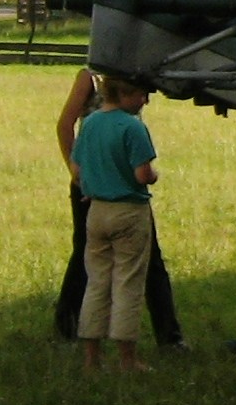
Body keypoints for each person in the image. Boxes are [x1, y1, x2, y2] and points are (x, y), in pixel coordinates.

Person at [53, 69, 184, 348]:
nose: (144, 100)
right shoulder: (91, 78)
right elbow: (65, 124)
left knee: (147, 260)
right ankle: (68, 325)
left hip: (115, 184)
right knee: (89, 257)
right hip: (103, 188)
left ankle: (168, 336)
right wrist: (77, 173)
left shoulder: (135, 74)